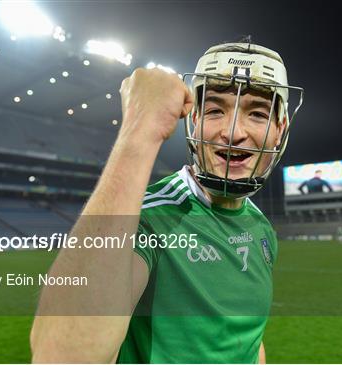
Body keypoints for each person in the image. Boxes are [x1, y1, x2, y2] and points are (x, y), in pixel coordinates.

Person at [30, 41, 303, 363]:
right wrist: (140, 130)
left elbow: (249, 340)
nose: (233, 132)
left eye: (257, 114)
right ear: (195, 121)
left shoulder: (260, 227)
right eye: (215, 110)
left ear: (279, 130)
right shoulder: (149, 218)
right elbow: (61, 356)